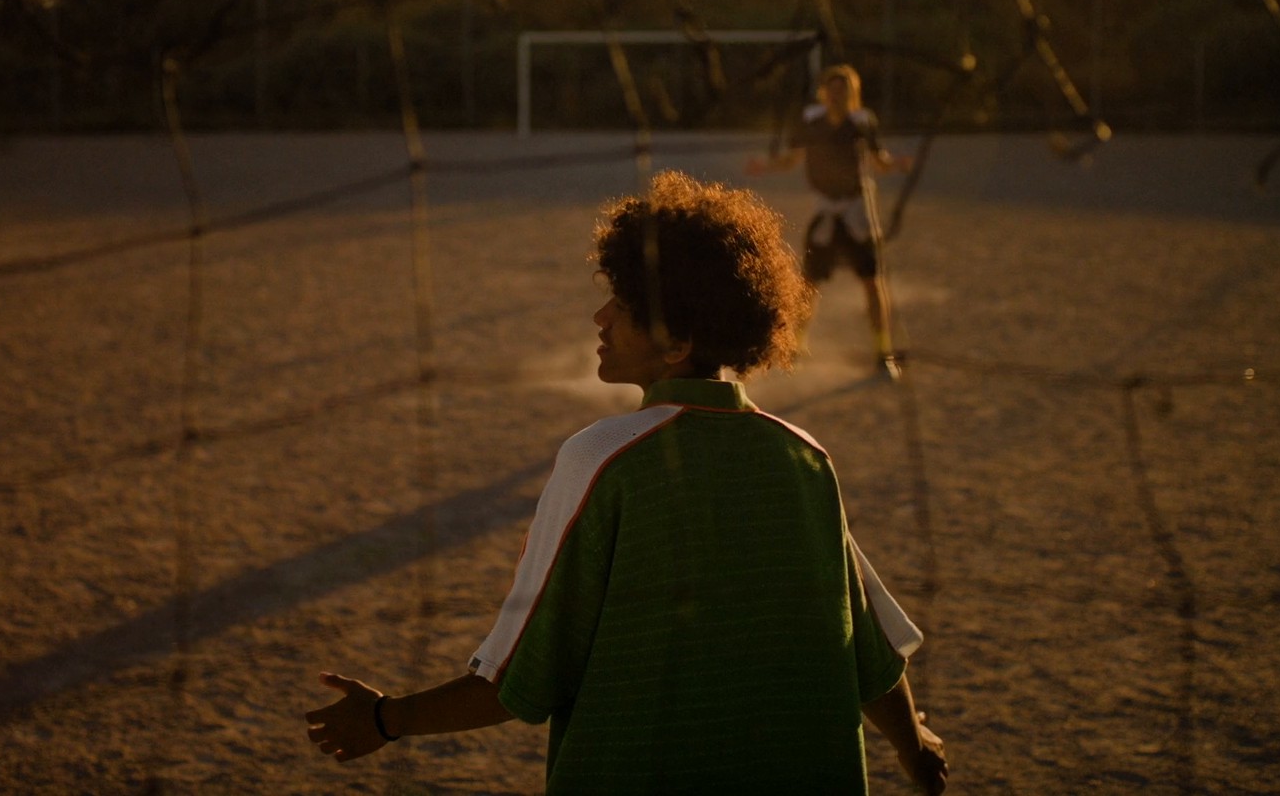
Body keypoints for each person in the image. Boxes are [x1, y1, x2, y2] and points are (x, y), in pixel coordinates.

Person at [306, 170, 947, 795]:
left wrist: (387, 719)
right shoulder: (806, 460)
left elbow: (518, 682)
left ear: (677, 343)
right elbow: (869, 653)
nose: (600, 317)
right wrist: (914, 749)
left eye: (623, 305)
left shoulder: (602, 459)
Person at [746, 63, 913, 379]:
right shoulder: (811, 121)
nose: (837, 96)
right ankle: (794, 346)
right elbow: (791, 159)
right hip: (825, 211)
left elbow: (880, 161)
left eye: (844, 90)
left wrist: (898, 165)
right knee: (809, 284)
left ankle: (882, 351)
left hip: (856, 212)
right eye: (832, 89)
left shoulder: (862, 122)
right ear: (824, 92)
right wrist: (765, 165)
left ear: (852, 93)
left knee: (872, 283)